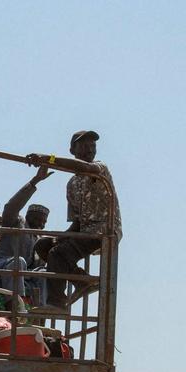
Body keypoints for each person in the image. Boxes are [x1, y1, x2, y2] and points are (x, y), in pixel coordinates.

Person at [38, 131, 121, 308]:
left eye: (93, 146)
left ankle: (57, 303)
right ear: (72, 150)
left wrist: (49, 159)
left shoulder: (99, 168)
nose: (90, 149)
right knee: (44, 246)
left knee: (58, 253)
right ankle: (82, 280)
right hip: (84, 231)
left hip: (103, 230)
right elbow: (77, 220)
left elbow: (87, 168)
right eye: (84, 146)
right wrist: (59, 237)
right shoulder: (72, 185)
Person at [0, 166, 51, 300]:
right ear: (28, 216)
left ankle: (40, 311)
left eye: (44, 222)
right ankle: (16, 305)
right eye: (37, 219)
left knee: (45, 273)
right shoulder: (16, 223)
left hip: (24, 276)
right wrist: (34, 182)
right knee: (18, 261)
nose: (41, 224)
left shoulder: (40, 239)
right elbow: (11, 207)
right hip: (2, 266)